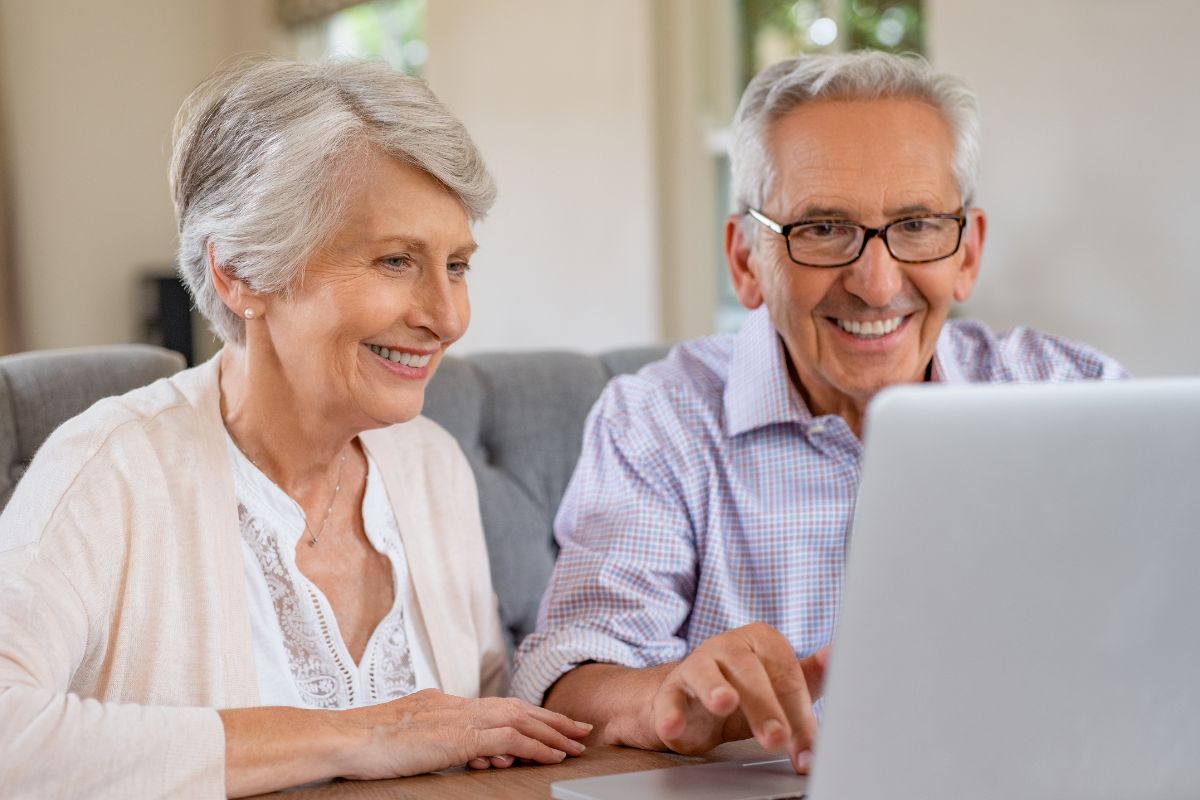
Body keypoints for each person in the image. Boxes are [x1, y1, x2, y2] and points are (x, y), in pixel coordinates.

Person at [512, 51, 1126, 773]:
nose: (875, 282)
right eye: (824, 228)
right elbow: (570, 672)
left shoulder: (1076, 393)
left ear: (968, 251)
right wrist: (666, 702)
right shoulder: (657, 421)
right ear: (746, 260)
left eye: (919, 224)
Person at [0, 58, 590, 798]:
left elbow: (471, 722)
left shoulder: (430, 465)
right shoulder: (110, 469)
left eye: (459, 265)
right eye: (396, 260)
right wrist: (363, 735)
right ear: (240, 273)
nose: (446, 316)